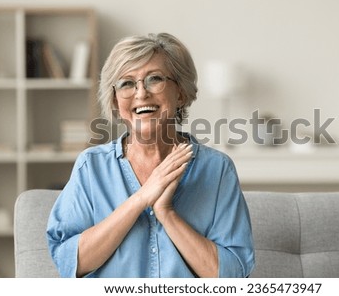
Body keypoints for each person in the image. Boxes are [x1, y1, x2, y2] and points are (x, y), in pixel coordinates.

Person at [46, 33, 255, 278]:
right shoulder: (91, 167)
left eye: (154, 79)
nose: (141, 93)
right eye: (126, 83)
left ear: (180, 93)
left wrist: (166, 212)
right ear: (114, 100)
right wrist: (141, 199)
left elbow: (232, 276)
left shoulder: (217, 169)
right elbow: (70, 262)